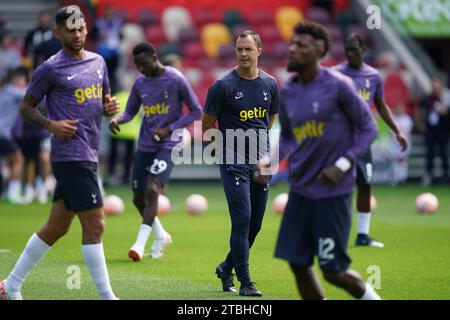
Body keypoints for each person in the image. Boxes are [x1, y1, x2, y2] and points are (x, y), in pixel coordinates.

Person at [0, 6, 119, 300]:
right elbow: (26, 107)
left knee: (57, 226)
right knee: (96, 225)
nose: (77, 34)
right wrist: (50, 124)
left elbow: (102, 102)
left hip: (89, 151)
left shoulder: (98, 62)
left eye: (81, 29)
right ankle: (107, 297)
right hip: (70, 154)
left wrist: (110, 110)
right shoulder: (50, 68)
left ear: (86, 30)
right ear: (58, 32)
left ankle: (10, 285)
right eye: (70, 29)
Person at [266, 21, 380, 300]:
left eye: (301, 45)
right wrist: (269, 163)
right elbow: (290, 138)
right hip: (301, 191)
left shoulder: (339, 85)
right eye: (292, 44)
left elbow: (369, 128)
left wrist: (342, 165)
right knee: (298, 263)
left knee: (333, 271)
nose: (292, 49)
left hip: (333, 193)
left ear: (319, 51)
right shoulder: (289, 91)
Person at [202, 30, 279, 296]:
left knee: (256, 225)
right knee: (243, 220)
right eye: (239, 50)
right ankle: (246, 283)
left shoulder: (270, 84)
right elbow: (207, 123)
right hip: (233, 161)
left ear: (259, 51)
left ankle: (225, 267)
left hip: (262, 162)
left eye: (248, 49)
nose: (244, 54)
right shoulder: (223, 85)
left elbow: (269, 120)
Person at [109, 42, 202, 261]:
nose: (141, 68)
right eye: (137, 65)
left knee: (153, 189)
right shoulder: (140, 83)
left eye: (144, 63)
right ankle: (161, 235)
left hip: (168, 143)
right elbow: (130, 111)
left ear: (154, 56)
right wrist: (118, 119)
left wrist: (169, 128)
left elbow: (196, 111)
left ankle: (139, 245)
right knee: (137, 198)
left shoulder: (176, 78)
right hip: (145, 145)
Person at [334, 33, 408, 247]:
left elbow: (381, 104)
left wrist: (397, 130)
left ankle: (363, 235)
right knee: (339, 187)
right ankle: (334, 234)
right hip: (339, 140)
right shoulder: (336, 74)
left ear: (363, 50)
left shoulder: (373, 76)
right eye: (347, 50)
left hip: (362, 141)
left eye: (354, 50)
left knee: (365, 184)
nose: (351, 54)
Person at [0, 67, 27, 203]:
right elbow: (31, 95)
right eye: (23, 80)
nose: (24, 83)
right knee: (18, 159)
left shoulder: (4, 90)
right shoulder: (13, 91)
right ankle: (13, 193)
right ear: (16, 80)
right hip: (3, 133)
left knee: (9, 161)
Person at [418, 76, 450, 185]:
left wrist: (444, 111)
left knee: (444, 153)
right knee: (429, 153)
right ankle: (429, 175)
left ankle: (445, 176)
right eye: (434, 85)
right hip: (431, 130)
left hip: (443, 129)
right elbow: (419, 107)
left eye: (437, 85)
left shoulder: (446, 97)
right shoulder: (429, 98)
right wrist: (420, 122)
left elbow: (446, 112)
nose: (435, 87)